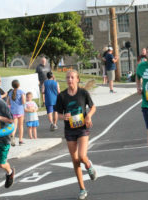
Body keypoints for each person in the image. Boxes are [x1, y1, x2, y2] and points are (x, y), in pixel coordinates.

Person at [55, 70, 97, 200]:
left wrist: (89, 116)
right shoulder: (62, 96)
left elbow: (93, 107)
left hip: (82, 128)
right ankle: (82, 189)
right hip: (70, 130)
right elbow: (58, 114)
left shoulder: (83, 93)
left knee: (82, 156)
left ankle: (89, 165)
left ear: (77, 79)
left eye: (72, 77)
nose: (70, 80)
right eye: (67, 77)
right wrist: (64, 117)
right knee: (75, 161)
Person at [7, 80, 25, 146]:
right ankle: (20, 140)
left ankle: (12, 136)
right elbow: (23, 101)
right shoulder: (21, 92)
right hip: (20, 111)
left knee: (14, 126)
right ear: (19, 85)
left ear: (12, 86)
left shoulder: (10, 92)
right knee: (21, 126)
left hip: (13, 111)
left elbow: (8, 102)